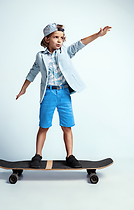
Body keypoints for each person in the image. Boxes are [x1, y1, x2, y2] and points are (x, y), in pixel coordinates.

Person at [16, 23, 111, 168]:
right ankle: (37, 155)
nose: (59, 40)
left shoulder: (66, 52)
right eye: (55, 37)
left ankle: (70, 156)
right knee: (44, 126)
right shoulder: (40, 56)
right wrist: (23, 89)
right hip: (48, 93)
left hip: (64, 93)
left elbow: (81, 44)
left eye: (62, 38)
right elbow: (32, 72)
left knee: (67, 126)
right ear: (47, 39)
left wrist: (98, 35)